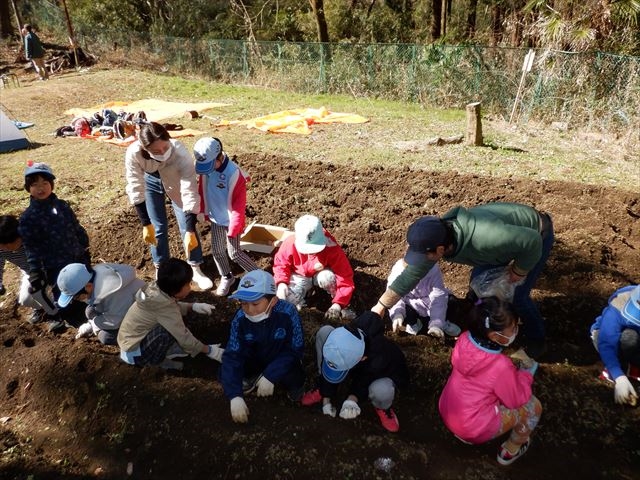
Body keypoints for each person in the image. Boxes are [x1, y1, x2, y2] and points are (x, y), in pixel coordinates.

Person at [372, 203, 554, 359]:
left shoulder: (485, 239)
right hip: (501, 247)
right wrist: (382, 305)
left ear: (441, 250)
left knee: (518, 295)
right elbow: (411, 275)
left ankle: (536, 341)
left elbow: (532, 241)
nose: (422, 261)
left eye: (424, 255)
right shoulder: (441, 237)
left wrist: (519, 270)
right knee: (478, 284)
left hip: (535, 236)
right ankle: (479, 320)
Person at [438, 296, 542, 465]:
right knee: (533, 407)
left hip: (448, 409)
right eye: (513, 328)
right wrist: (526, 374)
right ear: (494, 336)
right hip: (473, 428)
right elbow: (516, 400)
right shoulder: (501, 366)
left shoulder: (464, 339)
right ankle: (510, 450)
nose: (516, 330)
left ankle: (465, 432)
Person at [124, 122, 213, 290]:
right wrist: (145, 223)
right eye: (156, 151)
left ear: (169, 139)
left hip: (177, 181)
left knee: (186, 228)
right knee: (157, 228)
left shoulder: (179, 153)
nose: (162, 153)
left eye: (165, 148)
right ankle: (161, 267)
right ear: (145, 148)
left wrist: (190, 229)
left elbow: (189, 190)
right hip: (150, 180)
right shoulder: (134, 153)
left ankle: (195, 267)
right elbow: (135, 185)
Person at [220, 269, 305, 424]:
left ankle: (295, 388)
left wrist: (271, 375)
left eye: (255, 303)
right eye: (243, 303)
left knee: (294, 376)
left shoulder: (287, 313)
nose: (249, 310)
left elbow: (295, 348)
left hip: (281, 358)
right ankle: (252, 377)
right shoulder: (240, 319)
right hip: (255, 359)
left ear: (273, 301)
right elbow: (232, 355)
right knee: (240, 366)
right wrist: (234, 395)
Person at [301, 311, 409, 433]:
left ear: (361, 358)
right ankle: (322, 388)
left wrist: (352, 400)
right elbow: (332, 357)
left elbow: (364, 379)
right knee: (324, 332)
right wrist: (326, 399)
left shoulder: (381, 357)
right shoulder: (346, 334)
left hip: (381, 374)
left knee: (381, 389)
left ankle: (382, 406)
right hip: (353, 361)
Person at [18, 162, 91, 332]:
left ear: (51, 185)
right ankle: (69, 319)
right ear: (28, 188)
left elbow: (75, 226)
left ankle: (91, 313)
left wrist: (84, 244)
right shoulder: (28, 217)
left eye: (45, 183)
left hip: (76, 257)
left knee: (85, 287)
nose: (40, 188)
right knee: (63, 292)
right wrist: (36, 270)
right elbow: (31, 247)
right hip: (54, 264)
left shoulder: (63, 205)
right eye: (35, 184)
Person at [117, 258, 222, 370]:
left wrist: (192, 306)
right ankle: (155, 362)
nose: (190, 288)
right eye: (188, 284)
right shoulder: (164, 308)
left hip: (131, 342)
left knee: (172, 323)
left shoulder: (156, 291)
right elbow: (184, 336)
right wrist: (210, 350)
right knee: (166, 331)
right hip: (136, 353)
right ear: (175, 290)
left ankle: (166, 349)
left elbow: (171, 307)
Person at [193, 137, 258, 296]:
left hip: (230, 221)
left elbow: (239, 203)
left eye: (209, 165)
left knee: (234, 253)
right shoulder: (207, 170)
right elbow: (202, 188)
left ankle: (259, 275)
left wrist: (235, 225)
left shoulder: (233, 174)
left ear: (219, 157)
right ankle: (227, 276)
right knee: (217, 250)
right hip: (216, 218)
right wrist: (202, 210)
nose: (206, 170)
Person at [273, 214, 355, 320]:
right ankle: (302, 308)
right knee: (288, 300)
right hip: (299, 276)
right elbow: (280, 264)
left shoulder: (330, 246)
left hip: (321, 273)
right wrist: (281, 283)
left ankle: (343, 305)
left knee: (327, 278)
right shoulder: (289, 243)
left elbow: (344, 276)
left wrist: (339, 304)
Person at [56, 262, 146, 345]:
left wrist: (93, 325)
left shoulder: (112, 293)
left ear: (88, 286)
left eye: (77, 297)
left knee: (106, 337)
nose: (78, 300)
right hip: (123, 308)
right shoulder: (96, 274)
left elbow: (115, 321)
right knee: (90, 311)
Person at [0, 214, 58, 325]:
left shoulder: (33, 239)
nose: (4, 249)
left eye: (7, 245)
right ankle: (44, 309)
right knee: (25, 300)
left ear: (18, 236)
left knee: (41, 291)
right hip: (30, 272)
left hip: (49, 268)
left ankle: (57, 313)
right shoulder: (2, 247)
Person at [590, 284, 640, 406]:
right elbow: (607, 342)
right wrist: (619, 377)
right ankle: (617, 368)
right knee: (629, 338)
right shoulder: (620, 301)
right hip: (606, 337)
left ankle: (634, 366)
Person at [386, 258, 461, 338]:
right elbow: (394, 295)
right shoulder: (398, 271)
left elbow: (438, 297)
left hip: (430, 300)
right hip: (412, 303)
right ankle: (414, 324)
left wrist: (436, 323)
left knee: (451, 302)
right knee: (405, 312)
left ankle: (444, 323)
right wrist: (397, 313)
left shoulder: (432, 269)